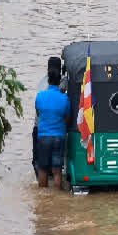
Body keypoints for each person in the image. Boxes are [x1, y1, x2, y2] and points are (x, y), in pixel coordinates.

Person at [34, 57, 69, 190]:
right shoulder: (64, 98)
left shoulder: (40, 96)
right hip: (59, 136)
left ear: (48, 80)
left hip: (43, 136)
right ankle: (57, 196)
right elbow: (67, 118)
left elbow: (39, 114)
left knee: (42, 169)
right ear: (59, 81)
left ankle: (43, 196)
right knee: (57, 170)